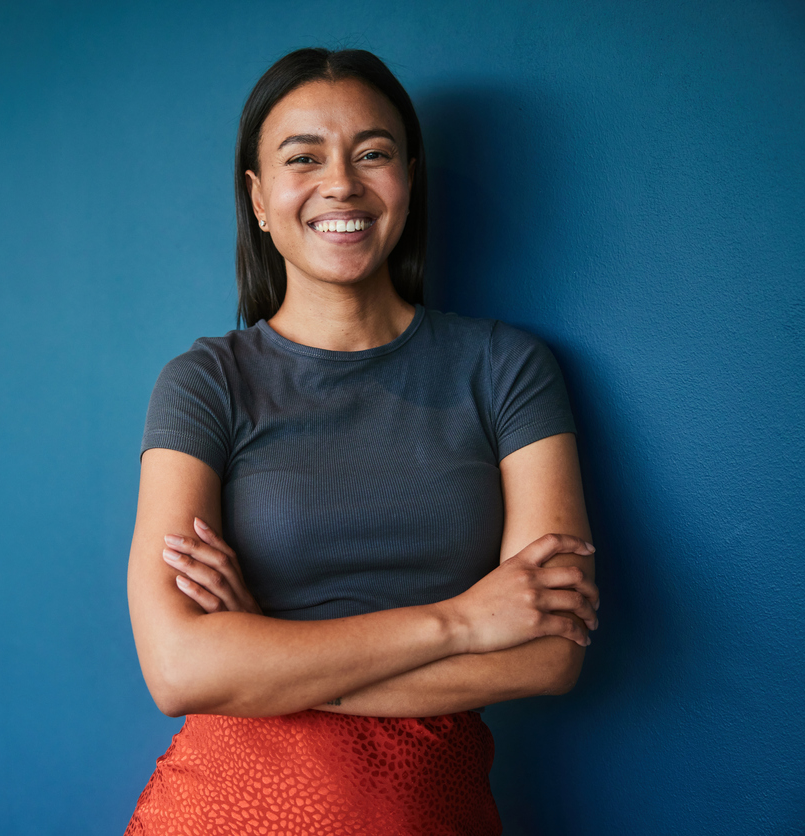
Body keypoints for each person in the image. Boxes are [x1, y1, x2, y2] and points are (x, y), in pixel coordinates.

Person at [124, 47, 599, 835]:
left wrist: (265, 658)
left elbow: (549, 653)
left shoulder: (506, 368)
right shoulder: (204, 381)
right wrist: (463, 623)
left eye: (371, 154)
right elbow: (178, 672)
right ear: (259, 200)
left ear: (407, 182)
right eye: (302, 158)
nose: (340, 183)